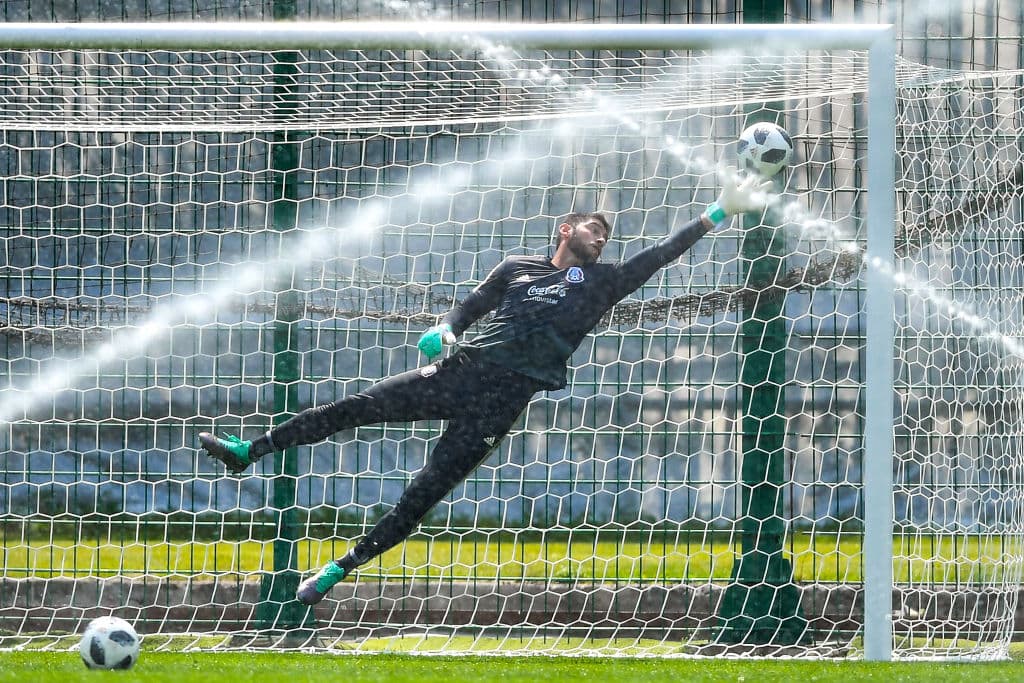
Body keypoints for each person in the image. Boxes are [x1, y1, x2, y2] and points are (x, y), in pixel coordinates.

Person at [198, 170, 771, 606]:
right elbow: (470, 308)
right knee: (356, 406)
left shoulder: (602, 284)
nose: (602, 237)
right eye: (593, 227)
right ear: (565, 230)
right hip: (458, 373)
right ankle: (250, 453)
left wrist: (718, 211)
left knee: (425, 491)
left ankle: (339, 568)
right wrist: (443, 328)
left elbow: (664, 253)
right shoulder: (517, 268)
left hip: (503, 403)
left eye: (607, 234)